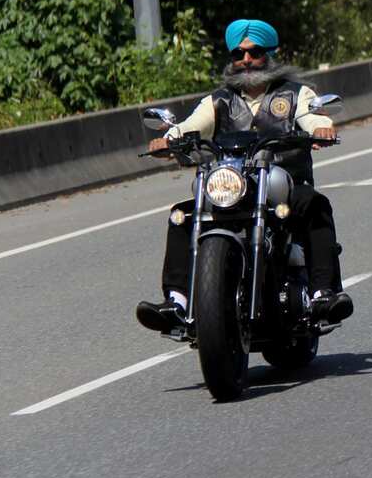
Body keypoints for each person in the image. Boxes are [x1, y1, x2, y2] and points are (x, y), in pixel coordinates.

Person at [136, 20, 353, 332]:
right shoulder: (219, 100)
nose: (247, 60)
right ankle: (177, 302)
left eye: (255, 52)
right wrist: (169, 139)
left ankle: (324, 294)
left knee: (315, 205)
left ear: (270, 54)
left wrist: (321, 127)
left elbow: (310, 115)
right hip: (234, 185)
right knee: (181, 216)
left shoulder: (295, 94)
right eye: (239, 54)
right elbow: (191, 124)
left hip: (283, 185)